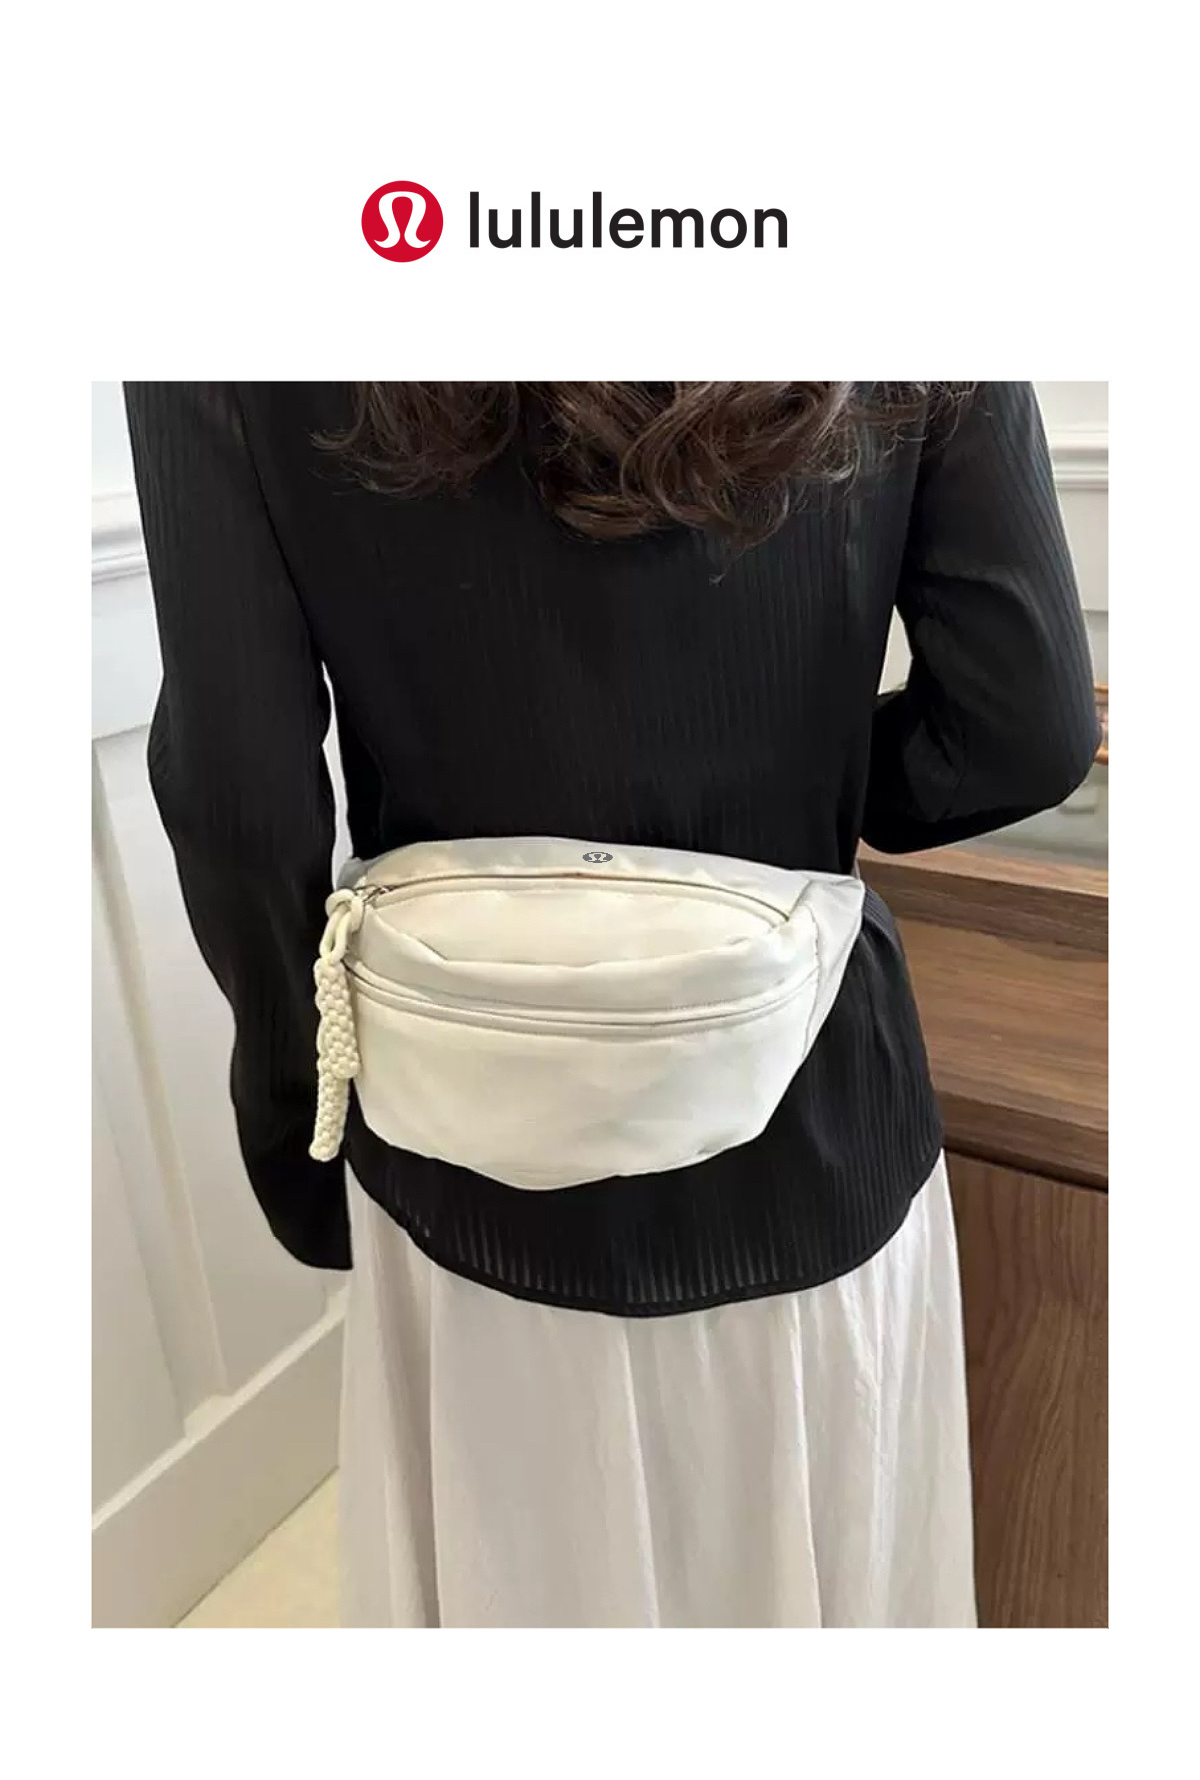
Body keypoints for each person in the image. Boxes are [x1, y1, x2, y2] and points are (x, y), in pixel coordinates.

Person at [124, 380, 1099, 1628]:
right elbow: (1022, 726)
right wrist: (797, 805)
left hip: (464, 1168)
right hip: (811, 1125)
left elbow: (237, 791)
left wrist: (307, 1144)